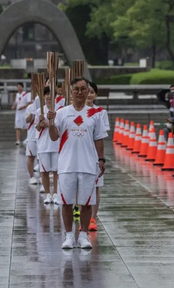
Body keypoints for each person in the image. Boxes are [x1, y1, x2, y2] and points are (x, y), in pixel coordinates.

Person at [48, 77, 107, 250]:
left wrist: (101, 159)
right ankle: (68, 236)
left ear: (88, 91)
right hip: (67, 164)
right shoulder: (61, 113)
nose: (80, 92)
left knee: (87, 202)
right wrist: (51, 122)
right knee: (66, 202)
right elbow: (53, 136)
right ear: (71, 91)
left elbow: (99, 139)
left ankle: (83, 235)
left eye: (84, 89)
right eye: (77, 89)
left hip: (88, 164)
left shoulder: (95, 114)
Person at [86, 81, 109, 232]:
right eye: (85, 91)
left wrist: (101, 158)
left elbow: (102, 134)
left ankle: (92, 218)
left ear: (95, 94)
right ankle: (81, 212)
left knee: (96, 187)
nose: (88, 94)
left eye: (91, 92)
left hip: (94, 154)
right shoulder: (72, 111)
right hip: (79, 154)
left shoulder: (100, 112)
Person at [36, 87, 61, 205]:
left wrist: (46, 123)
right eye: (46, 94)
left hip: (56, 145)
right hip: (44, 145)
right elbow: (37, 128)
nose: (48, 96)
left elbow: (57, 126)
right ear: (43, 96)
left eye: (50, 94)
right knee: (44, 171)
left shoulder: (59, 111)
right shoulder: (39, 111)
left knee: (56, 171)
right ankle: (47, 194)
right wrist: (39, 122)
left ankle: (56, 194)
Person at [24, 102, 39, 185]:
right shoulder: (30, 107)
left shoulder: (46, 106)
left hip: (42, 136)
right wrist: (33, 112)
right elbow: (27, 120)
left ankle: (42, 177)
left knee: (42, 158)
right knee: (31, 157)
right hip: (32, 136)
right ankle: (32, 177)